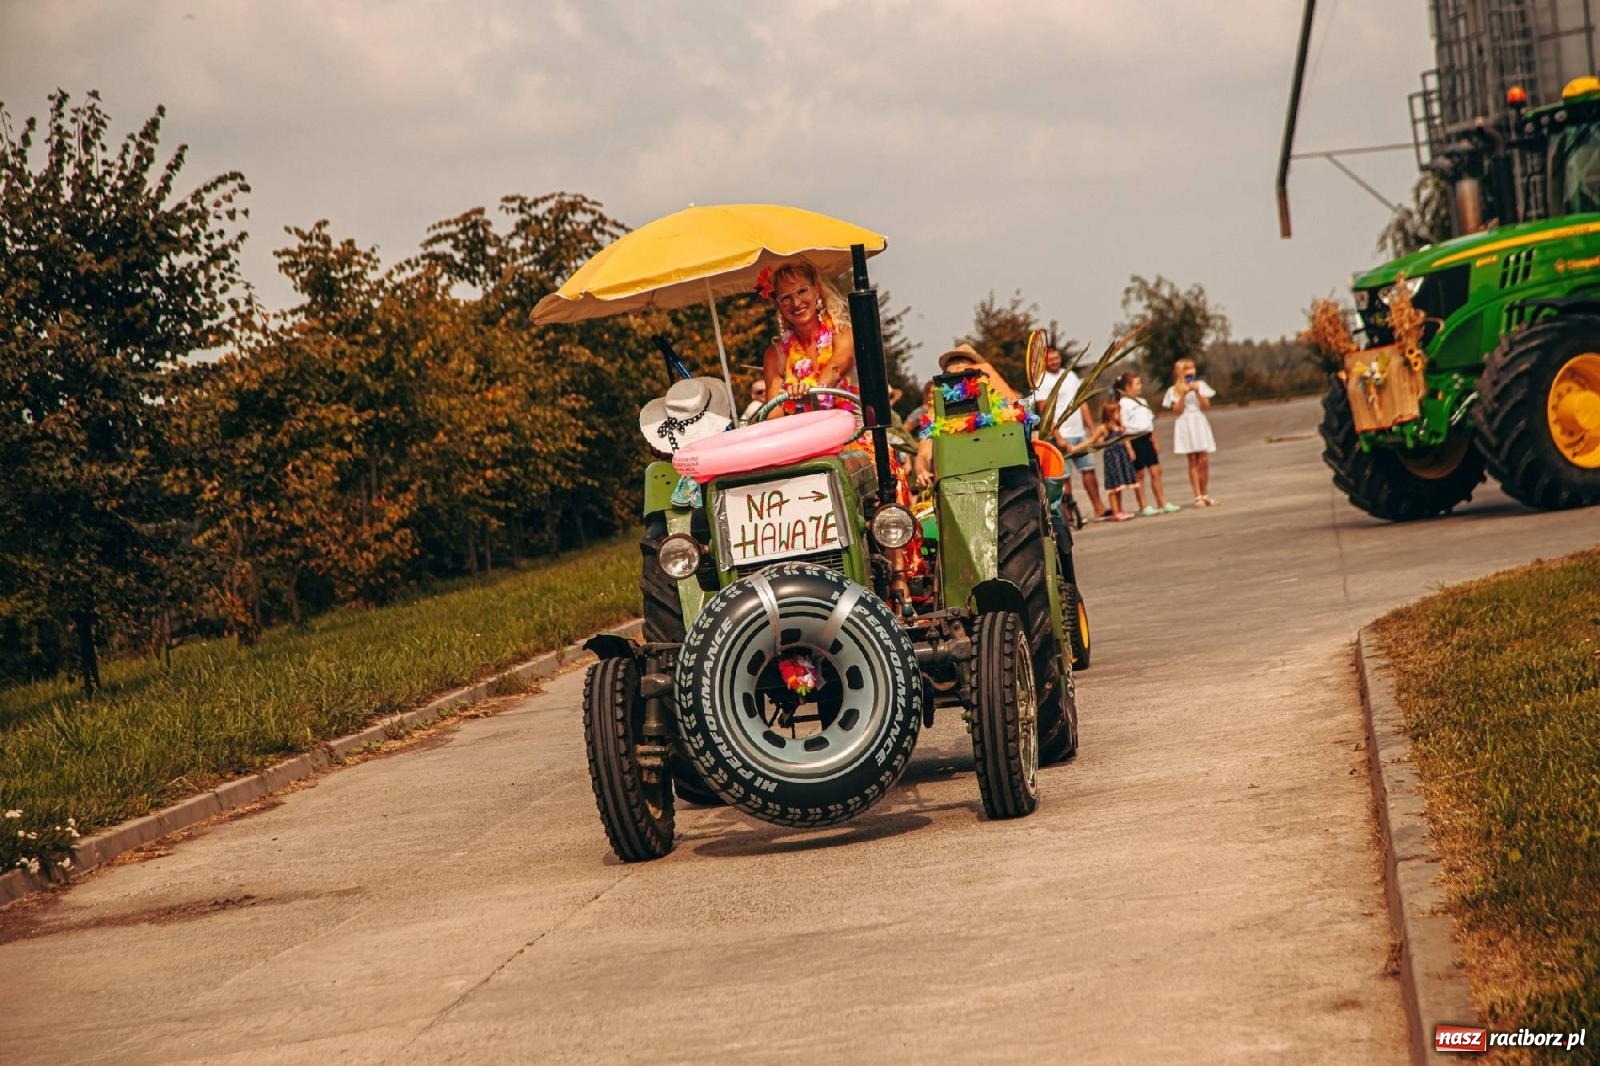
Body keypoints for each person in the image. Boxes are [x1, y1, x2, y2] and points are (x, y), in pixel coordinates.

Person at [760, 260, 856, 412]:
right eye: (785, 298)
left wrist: (812, 392)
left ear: (817, 291)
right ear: (778, 305)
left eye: (802, 291)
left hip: (853, 429)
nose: (796, 303)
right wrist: (789, 399)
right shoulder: (774, 355)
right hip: (805, 433)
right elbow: (771, 415)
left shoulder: (843, 332)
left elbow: (836, 368)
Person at [1030, 345, 1106, 521]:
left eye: (1056, 358)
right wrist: (1058, 437)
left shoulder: (1070, 376)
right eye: (1050, 359)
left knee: (1088, 469)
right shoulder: (1042, 381)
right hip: (1061, 434)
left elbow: (1082, 402)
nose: (1055, 361)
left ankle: (1099, 508)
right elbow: (1045, 411)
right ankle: (1068, 515)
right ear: (1044, 361)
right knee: (1064, 476)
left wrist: (1091, 428)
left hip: (1079, 431)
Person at [1117, 371, 1180, 516]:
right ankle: (1143, 505)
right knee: (1139, 474)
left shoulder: (1143, 402)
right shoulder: (1123, 404)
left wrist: (1155, 440)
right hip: (1134, 439)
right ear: (1127, 386)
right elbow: (1123, 428)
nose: (1140, 386)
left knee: (1156, 471)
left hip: (1147, 438)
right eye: (1137, 383)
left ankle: (1161, 502)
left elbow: (1149, 424)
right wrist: (1129, 447)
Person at [1163, 358, 1218, 506]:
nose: (1191, 372)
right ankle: (1197, 495)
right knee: (1192, 459)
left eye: (1192, 369)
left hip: (1198, 420)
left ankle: (1205, 493)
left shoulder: (1200, 385)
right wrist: (1183, 394)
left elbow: (1206, 406)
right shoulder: (1174, 390)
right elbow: (1176, 411)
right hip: (1185, 421)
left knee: (1204, 459)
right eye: (1187, 370)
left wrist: (1198, 392)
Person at [1098, 397, 1137, 521]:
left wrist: (1130, 450)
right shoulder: (1105, 428)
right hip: (1111, 459)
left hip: (1121, 458)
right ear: (1109, 415)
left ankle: (1120, 510)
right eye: (1116, 412)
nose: (1119, 415)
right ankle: (1115, 512)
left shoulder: (1120, 427)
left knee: (1119, 486)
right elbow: (1095, 440)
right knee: (1113, 488)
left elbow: (1125, 440)